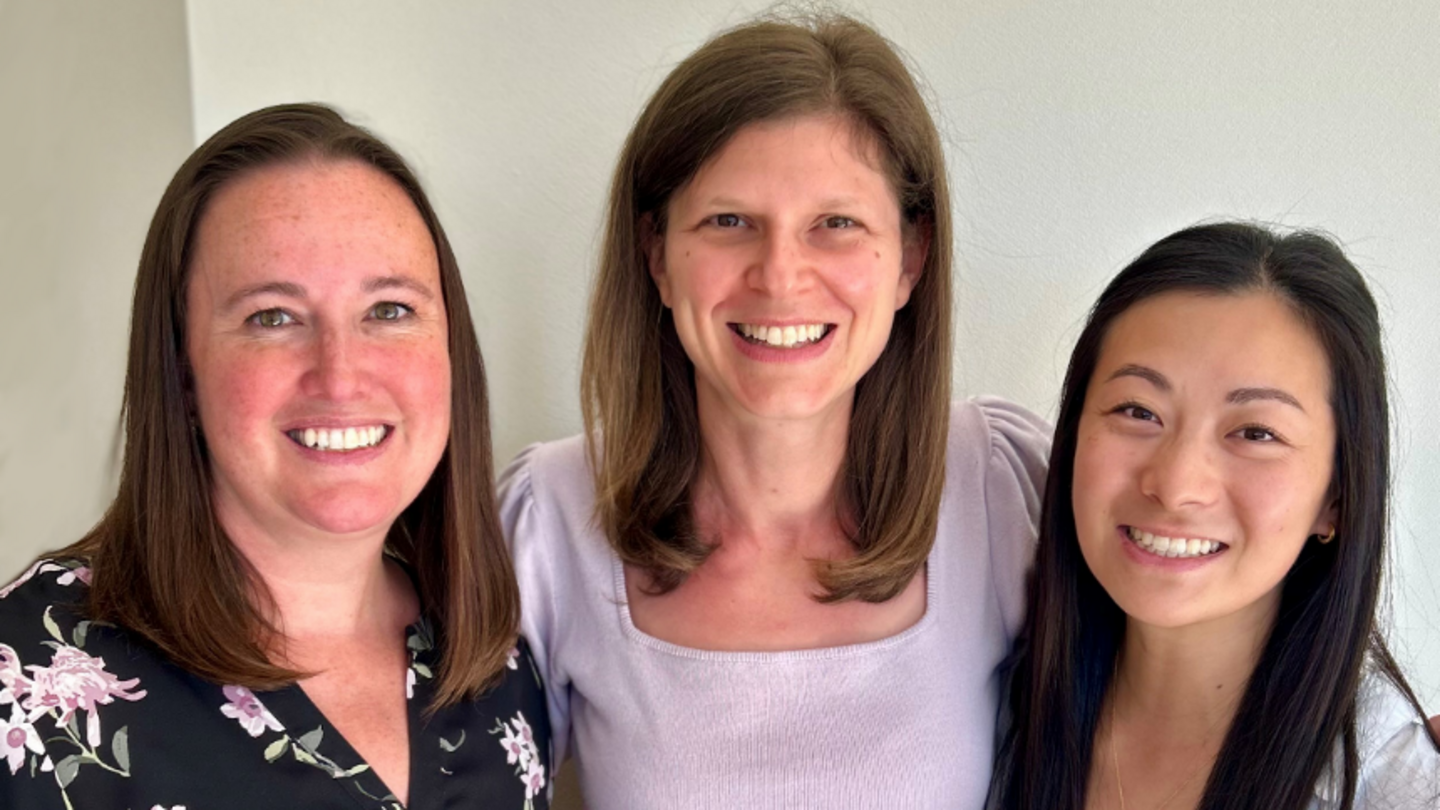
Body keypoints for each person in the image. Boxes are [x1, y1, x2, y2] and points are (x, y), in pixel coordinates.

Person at [499, 13, 1048, 808]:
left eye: (837, 224)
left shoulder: (1001, 489)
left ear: (911, 258)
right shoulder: (548, 522)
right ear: (656, 256)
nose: (781, 276)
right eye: (729, 222)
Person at [0, 104, 550, 809]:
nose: (342, 375)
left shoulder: (494, 666)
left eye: (389, 309)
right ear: (182, 371)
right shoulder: (24, 686)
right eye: (272, 317)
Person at [988, 222, 1440, 810]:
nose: (1176, 486)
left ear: (1337, 498)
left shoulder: (1391, 784)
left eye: (1256, 432)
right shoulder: (996, 707)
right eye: (1137, 410)